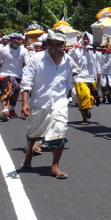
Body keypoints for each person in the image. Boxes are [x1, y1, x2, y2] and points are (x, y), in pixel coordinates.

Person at [19, 30, 74, 179]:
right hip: (39, 102)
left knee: (60, 132)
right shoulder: (36, 59)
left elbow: (68, 82)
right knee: (33, 134)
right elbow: (26, 82)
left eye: (57, 44)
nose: (53, 46)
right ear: (46, 43)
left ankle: (54, 166)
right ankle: (29, 154)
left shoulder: (68, 60)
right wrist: (25, 102)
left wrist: (66, 97)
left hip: (59, 103)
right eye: (51, 43)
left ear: (63, 45)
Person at [0, 33, 29, 121]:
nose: (21, 41)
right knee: (6, 91)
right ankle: (5, 110)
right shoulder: (3, 50)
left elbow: (28, 62)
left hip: (18, 75)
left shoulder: (24, 51)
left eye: (21, 39)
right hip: (5, 74)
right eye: (18, 39)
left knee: (15, 93)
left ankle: (12, 109)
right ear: (12, 40)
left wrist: (27, 72)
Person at [71, 32, 101, 125]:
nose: (85, 41)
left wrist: (99, 72)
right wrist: (74, 49)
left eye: (87, 39)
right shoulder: (78, 50)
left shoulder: (94, 50)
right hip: (80, 77)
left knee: (90, 97)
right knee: (83, 97)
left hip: (91, 78)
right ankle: (84, 119)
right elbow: (70, 58)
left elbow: (99, 61)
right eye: (84, 39)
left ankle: (87, 108)